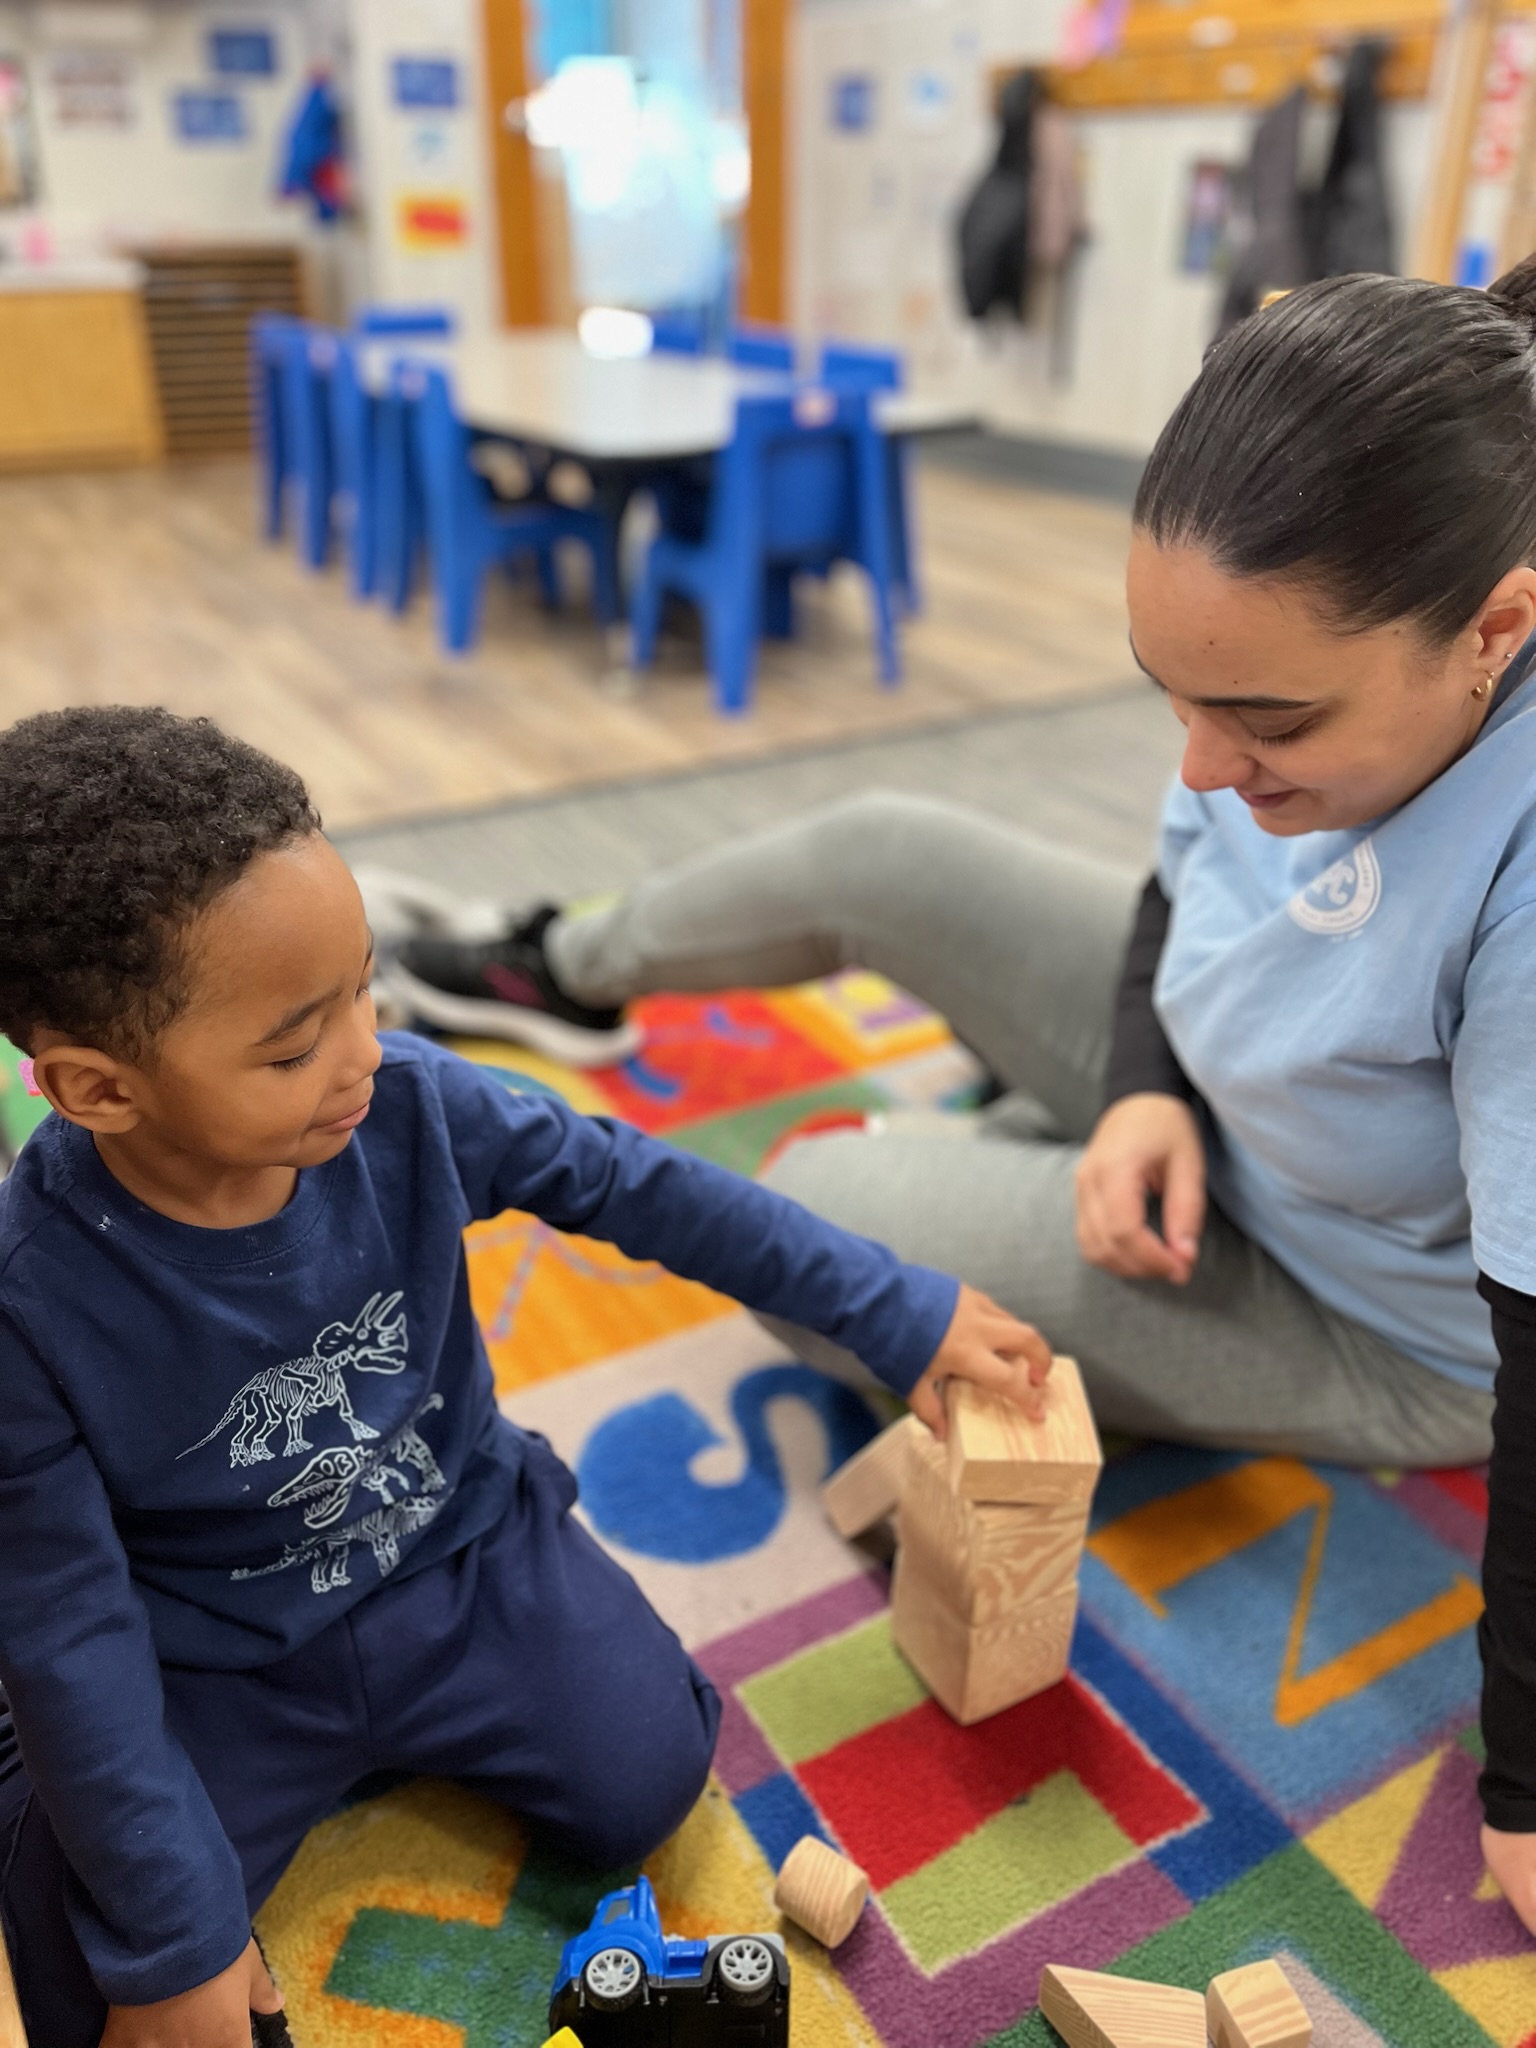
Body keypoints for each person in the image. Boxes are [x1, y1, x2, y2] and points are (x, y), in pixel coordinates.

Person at [392, 257, 1536, 1940]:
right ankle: (553, 963)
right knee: (885, 849)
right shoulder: (1282, 697)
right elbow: (1185, 877)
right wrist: (1144, 1091)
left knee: (829, 1214)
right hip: (1227, 1101)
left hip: (1365, 1309)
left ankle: (1001, 1143)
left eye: (1266, 716)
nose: (1199, 759)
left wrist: (1523, 1784)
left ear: (1497, 629)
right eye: (1171, 690)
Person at [0, 707, 1049, 2048]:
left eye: (365, 989)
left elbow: (647, 1186)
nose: (362, 1054)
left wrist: (895, 1308)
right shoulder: (29, 1297)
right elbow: (69, 1624)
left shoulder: (413, 1101)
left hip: (461, 1558)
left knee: (651, 1774)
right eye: (291, 1045)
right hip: (209, 1652)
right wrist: (169, 1947)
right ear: (95, 1091)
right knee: (112, 1974)